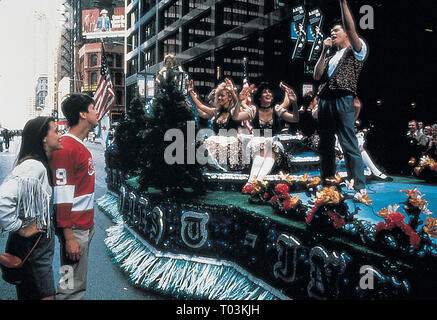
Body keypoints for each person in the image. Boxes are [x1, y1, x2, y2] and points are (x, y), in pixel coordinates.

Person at [0, 116, 62, 300]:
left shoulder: (40, 164)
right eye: (56, 131)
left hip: (35, 247)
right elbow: (3, 200)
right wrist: (21, 228)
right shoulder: (33, 166)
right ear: (43, 137)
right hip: (32, 247)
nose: (60, 135)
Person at [313, 0, 368, 197]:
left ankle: (358, 186)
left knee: (348, 142)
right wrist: (324, 50)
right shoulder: (331, 55)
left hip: (343, 98)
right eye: (331, 32)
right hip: (326, 100)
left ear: (346, 32)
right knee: (325, 144)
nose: (332, 34)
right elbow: (317, 76)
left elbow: (352, 30)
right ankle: (328, 182)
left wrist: (343, 2)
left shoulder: (356, 50)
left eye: (336, 30)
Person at [50, 93, 98, 300]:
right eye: (93, 108)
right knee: (70, 288)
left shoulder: (77, 145)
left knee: (76, 283)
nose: (98, 112)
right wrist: (69, 237)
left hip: (84, 226)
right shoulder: (66, 148)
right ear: (83, 114)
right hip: (75, 230)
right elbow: (61, 197)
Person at [234, 81, 299, 185]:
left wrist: (294, 103)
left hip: (272, 142)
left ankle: (255, 183)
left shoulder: (276, 109)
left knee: (270, 148)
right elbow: (236, 117)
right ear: (260, 97)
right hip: (256, 142)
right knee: (262, 149)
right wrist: (239, 100)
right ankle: (251, 182)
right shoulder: (254, 110)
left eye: (269, 92)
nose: (268, 94)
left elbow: (295, 119)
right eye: (265, 92)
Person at [188, 78, 246, 171]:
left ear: (229, 97)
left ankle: (222, 168)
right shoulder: (216, 112)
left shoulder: (234, 112)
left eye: (222, 96)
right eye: (218, 96)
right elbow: (201, 106)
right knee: (203, 146)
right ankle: (216, 167)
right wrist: (191, 93)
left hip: (232, 145)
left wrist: (232, 91)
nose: (219, 98)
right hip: (216, 143)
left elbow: (237, 104)